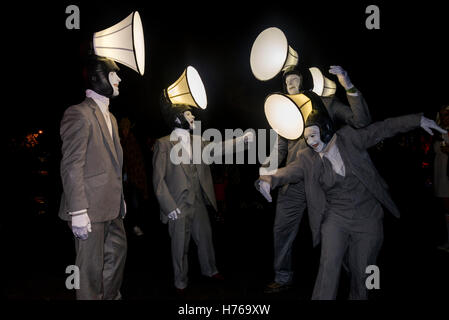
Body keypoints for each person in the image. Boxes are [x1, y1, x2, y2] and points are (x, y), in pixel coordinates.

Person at [256, 98, 447, 299]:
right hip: (336, 217)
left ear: (326, 129)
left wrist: (418, 120)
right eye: (307, 138)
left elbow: (384, 128)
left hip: (368, 216)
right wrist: (269, 179)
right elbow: (288, 171)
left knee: (364, 272)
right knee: (328, 264)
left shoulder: (350, 138)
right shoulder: (307, 157)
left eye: (313, 135)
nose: (311, 141)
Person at [263, 65, 372, 293]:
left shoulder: (325, 103)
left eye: (295, 79)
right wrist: (266, 171)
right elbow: (279, 148)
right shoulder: (283, 111)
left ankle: (355, 273)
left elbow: (361, 121)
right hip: (292, 183)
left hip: (324, 181)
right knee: (282, 229)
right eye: (287, 81)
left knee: (334, 229)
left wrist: (348, 85)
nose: (291, 83)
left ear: (303, 82)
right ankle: (283, 276)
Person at [152, 90, 253, 294]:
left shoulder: (198, 140)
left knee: (205, 236)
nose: (193, 117)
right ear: (178, 118)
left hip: (198, 199)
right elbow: (158, 179)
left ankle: (210, 270)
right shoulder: (163, 143)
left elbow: (219, 147)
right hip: (177, 204)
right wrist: (168, 206)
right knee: (180, 245)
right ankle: (180, 281)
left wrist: (241, 140)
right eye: (189, 114)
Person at [59, 56, 127, 300]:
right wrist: (77, 211)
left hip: (112, 208)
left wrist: (121, 199)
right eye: (113, 74)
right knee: (88, 273)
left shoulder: (112, 119)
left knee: (117, 257)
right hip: (88, 209)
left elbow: (114, 164)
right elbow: (71, 164)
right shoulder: (78, 113)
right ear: (98, 77)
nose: (119, 79)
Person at [119, 117, 149, 237]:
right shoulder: (120, 142)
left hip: (135, 179)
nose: (125, 131)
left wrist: (140, 181)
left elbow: (138, 162)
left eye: (126, 128)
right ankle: (126, 227)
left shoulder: (133, 141)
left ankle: (136, 226)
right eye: (123, 129)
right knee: (125, 204)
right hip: (123, 181)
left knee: (136, 204)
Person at [433, 105, 449, 252]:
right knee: (444, 208)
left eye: (447, 114)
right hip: (440, 173)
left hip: (447, 175)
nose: (445, 117)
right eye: (443, 115)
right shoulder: (437, 130)